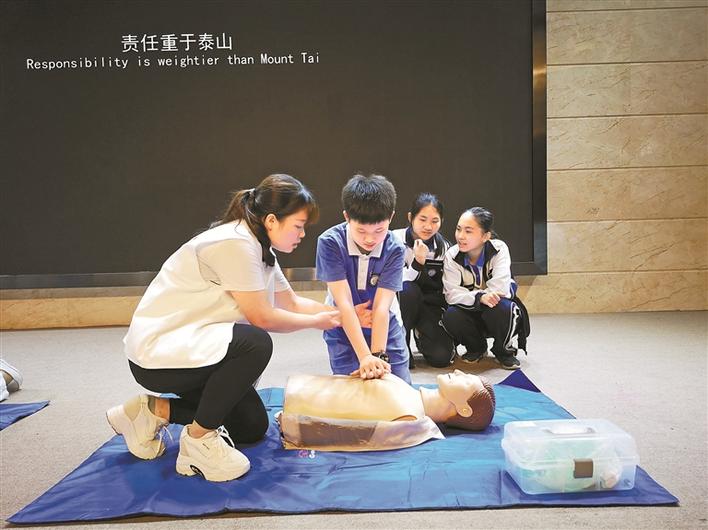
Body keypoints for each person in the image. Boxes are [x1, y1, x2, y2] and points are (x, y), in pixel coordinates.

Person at [107, 174, 343, 482]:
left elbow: (293, 303)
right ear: (272, 220)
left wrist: (342, 314)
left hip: (196, 346)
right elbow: (263, 318)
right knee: (255, 343)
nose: (302, 234)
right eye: (298, 226)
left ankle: (151, 410)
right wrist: (318, 322)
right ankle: (198, 443)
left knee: (250, 426)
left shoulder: (260, 248)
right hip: (160, 354)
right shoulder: (236, 244)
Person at [315, 174, 410, 383]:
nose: (370, 239)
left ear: (391, 217)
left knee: (399, 389)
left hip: (386, 325)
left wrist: (377, 356)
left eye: (379, 230)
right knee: (351, 391)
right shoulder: (330, 242)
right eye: (361, 230)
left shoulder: (395, 248)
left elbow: (382, 307)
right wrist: (364, 356)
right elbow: (344, 303)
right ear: (346, 217)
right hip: (343, 324)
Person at [277, 370, 495, 451]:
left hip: (301, 405)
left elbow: (349, 432)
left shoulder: (409, 418)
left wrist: (295, 426)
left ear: (464, 410)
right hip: (304, 390)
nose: (458, 371)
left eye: (467, 381)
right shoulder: (408, 396)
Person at [442, 207, 530, 370]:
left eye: (468, 231)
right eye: (459, 229)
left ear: (485, 236)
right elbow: (451, 294)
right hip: (470, 309)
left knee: (502, 306)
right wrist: (479, 297)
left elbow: (501, 288)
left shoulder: (499, 249)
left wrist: (481, 297)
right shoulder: (451, 255)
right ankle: (476, 348)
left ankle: (504, 351)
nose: (460, 236)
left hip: (496, 309)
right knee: (451, 314)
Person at [392, 193, 453, 369]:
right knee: (407, 289)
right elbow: (396, 282)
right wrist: (418, 263)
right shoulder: (394, 240)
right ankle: (401, 342)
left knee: (441, 357)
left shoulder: (444, 248)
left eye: (435, 221)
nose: (428, 226)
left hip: (429, 305)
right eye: (422, 219)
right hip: (400, 304)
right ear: (410, 217)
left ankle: (421, 333)